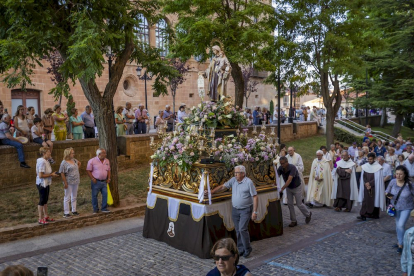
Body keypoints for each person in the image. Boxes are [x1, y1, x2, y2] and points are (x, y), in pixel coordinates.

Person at [208, 165, 258, 257]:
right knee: (238, 230)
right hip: (235, 209)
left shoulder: (249, 182)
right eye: (235, 173)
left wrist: (254, 212)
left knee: (242, 229)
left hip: (246, 210)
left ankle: (247, 248)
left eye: (237, 173)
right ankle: (240, 248)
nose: (235, 175)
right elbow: (223, 186)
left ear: (243, 174)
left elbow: (254, 196)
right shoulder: (233, 180)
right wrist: (212, 191)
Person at [385, 166, 414, 254]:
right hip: (395, 207)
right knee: (398, 225)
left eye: (400, 174)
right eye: (397, 174)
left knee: (401, 225)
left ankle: (401, 244)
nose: (398, 176)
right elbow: (386, 191)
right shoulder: (393, 182)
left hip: (407, 207)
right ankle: (399, 242)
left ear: (405, 174)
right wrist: (388, 195)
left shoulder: (410, 184)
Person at [278, 156, 312, 227]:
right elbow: (276, 176)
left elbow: (289, 180)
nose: (282, 165)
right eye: (281, 164)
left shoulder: (292, 167)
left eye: (283, 163)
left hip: (296, 187)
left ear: (287, 162)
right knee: (290, 204)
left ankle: (308, 214)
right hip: (289, 188)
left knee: (299, 203)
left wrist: (281, 189)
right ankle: (293, 220)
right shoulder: (280, 168)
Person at [358, 153, 386, 221]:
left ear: (374, 159)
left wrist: (370, 184)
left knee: (375, 199)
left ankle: (374, 214)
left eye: (371, 159)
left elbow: (378, 178)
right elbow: (363, 176)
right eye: (368, 159)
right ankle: (363, 214)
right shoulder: (365, 166)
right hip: (366, 186)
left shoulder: (378, 167)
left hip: (375, 187)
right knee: (365, 199)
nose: (369, 160)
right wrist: (366, 183)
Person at [36, 147, 59, 224]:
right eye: (48, 152)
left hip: (46, 183)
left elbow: (53, 162)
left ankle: (46, 216)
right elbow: (40, 175)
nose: (50, 153)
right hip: (42, 183)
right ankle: (40, 218)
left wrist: (51, 174)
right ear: (44, 154)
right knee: (42, 200)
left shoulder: (46, 160)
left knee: (45, 200)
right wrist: (51, 174)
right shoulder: (42, 162)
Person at [86, 148, 111, 214]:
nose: (105, 154)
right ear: (99, 154)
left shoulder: (107, 161)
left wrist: (109, 178)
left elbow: (108, 170)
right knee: (94, 195)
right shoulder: (92, 161)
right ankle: (95, 209)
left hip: (104, 181)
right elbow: (88, 170)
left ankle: (104, 208)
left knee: (105, 195)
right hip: (96, 181)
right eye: (104, 153)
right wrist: (92, 178)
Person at [59, 147, 81, 218]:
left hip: (76, 181)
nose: (73, 154)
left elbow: (79, 163)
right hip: (69, 181)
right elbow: (62, 173)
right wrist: (65, 182)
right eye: (72, 153)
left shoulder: (74, 160)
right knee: (67, 197)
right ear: (68, 154)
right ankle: (66, 212)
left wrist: (76, 170)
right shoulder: (64, 163)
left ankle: (74, 210)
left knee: (74, 196)